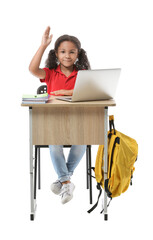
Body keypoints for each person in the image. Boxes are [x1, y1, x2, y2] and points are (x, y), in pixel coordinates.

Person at [29, 26, 91, 204]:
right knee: (54, 145)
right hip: (54, 122)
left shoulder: (83, 75)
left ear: (78, 54)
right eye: (63, 52)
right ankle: (66, 181)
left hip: (77, 122)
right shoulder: (49, 73)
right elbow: (33, 69)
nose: (67, 55)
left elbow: (89, 95)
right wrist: (42, 46)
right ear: (56, 54)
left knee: (82, 143)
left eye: (72, 52)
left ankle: (63, 180)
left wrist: (65, 92)